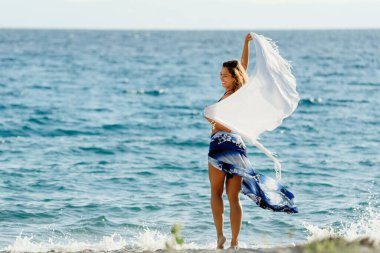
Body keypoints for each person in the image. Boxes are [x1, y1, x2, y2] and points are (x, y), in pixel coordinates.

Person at [205, 33, 253, 250]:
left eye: (225, 76)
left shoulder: (235, 94)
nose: (222, 78)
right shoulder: (239, 94)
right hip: (237, 148)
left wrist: (212, 119)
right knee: (233, 197)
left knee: (216, 193)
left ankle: (220, 237)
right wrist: (245, 44)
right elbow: (243, 67)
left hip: (220, 146)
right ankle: (234, 242)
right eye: (220, 75)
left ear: (235, 77)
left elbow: (243, 66)